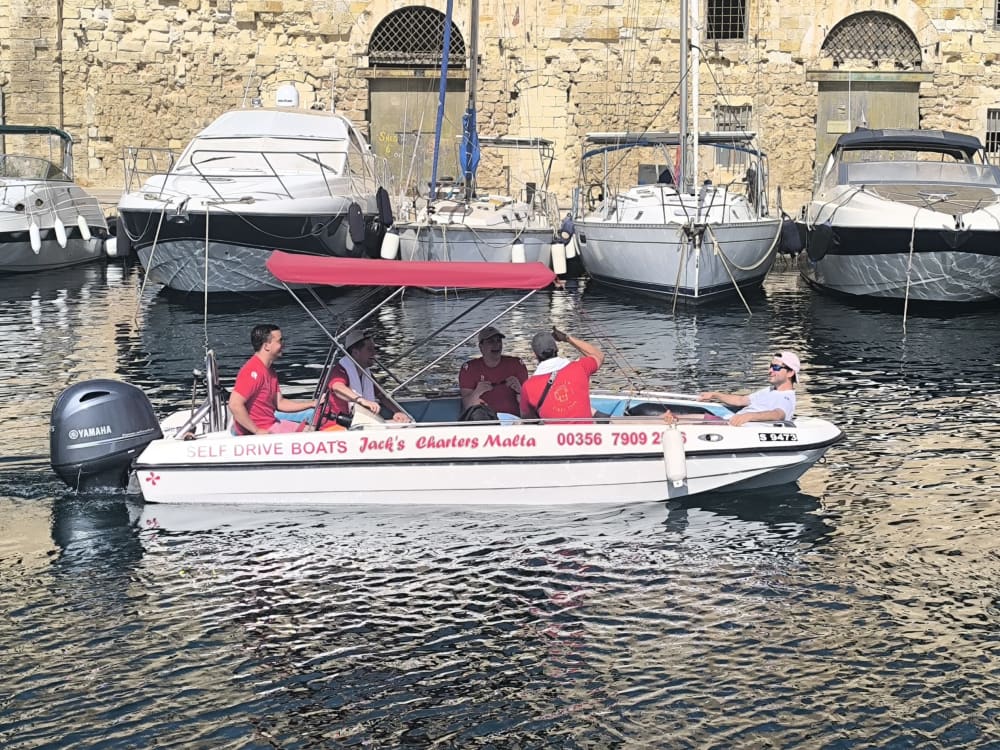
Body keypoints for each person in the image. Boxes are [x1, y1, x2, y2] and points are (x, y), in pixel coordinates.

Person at [665, 351, 800, 426]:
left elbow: (778, 414)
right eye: (770, 366)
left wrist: (749, 416)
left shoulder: (786, 397)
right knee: (674, 418)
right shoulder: (770, 390)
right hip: (730, 421)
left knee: (679, 420)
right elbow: (741, 400)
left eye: (776, 367)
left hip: (733, 427)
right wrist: (715, 395)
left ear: (790, 373)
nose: (770, 370)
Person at [229, 324, 316, 435]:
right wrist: (256, 431)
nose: (283, 344)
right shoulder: (252, 371)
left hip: (271, 423)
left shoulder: (270, 371)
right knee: (313, 432)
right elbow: (234, 404)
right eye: (280, 341)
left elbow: (279, 403)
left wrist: (312, 403)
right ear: (267, 346)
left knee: (313, 418)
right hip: (264, 431)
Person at [323, 329, 411, 424]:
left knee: (404, 424)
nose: (374, 353)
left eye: (374, 349)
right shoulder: (339, 370)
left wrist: (397, 411)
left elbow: (382, 395)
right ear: (355, 352)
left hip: (358, 424)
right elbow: (337, 387)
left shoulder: (366, 373)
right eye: (369, 349)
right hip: (335, 426)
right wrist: (361, 400)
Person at [520, 327, 604, 421]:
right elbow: (598, 356)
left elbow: (528, 419)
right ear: (557, 349)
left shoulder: (528, 386)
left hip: (552, 435)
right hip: (585, 435)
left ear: (535, 355)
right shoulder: (579, 367)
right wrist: (567, 338)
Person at [458, 326, 529, 418]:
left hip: (513, 421)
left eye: (498, 340)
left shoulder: (516, 364)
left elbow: (529, 405)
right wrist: (477, 392)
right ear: (481, 347)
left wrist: (520, 390)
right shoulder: (469, 369)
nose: (496, 345)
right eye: (491, 341)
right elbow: (467, 406)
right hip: (485, 422)